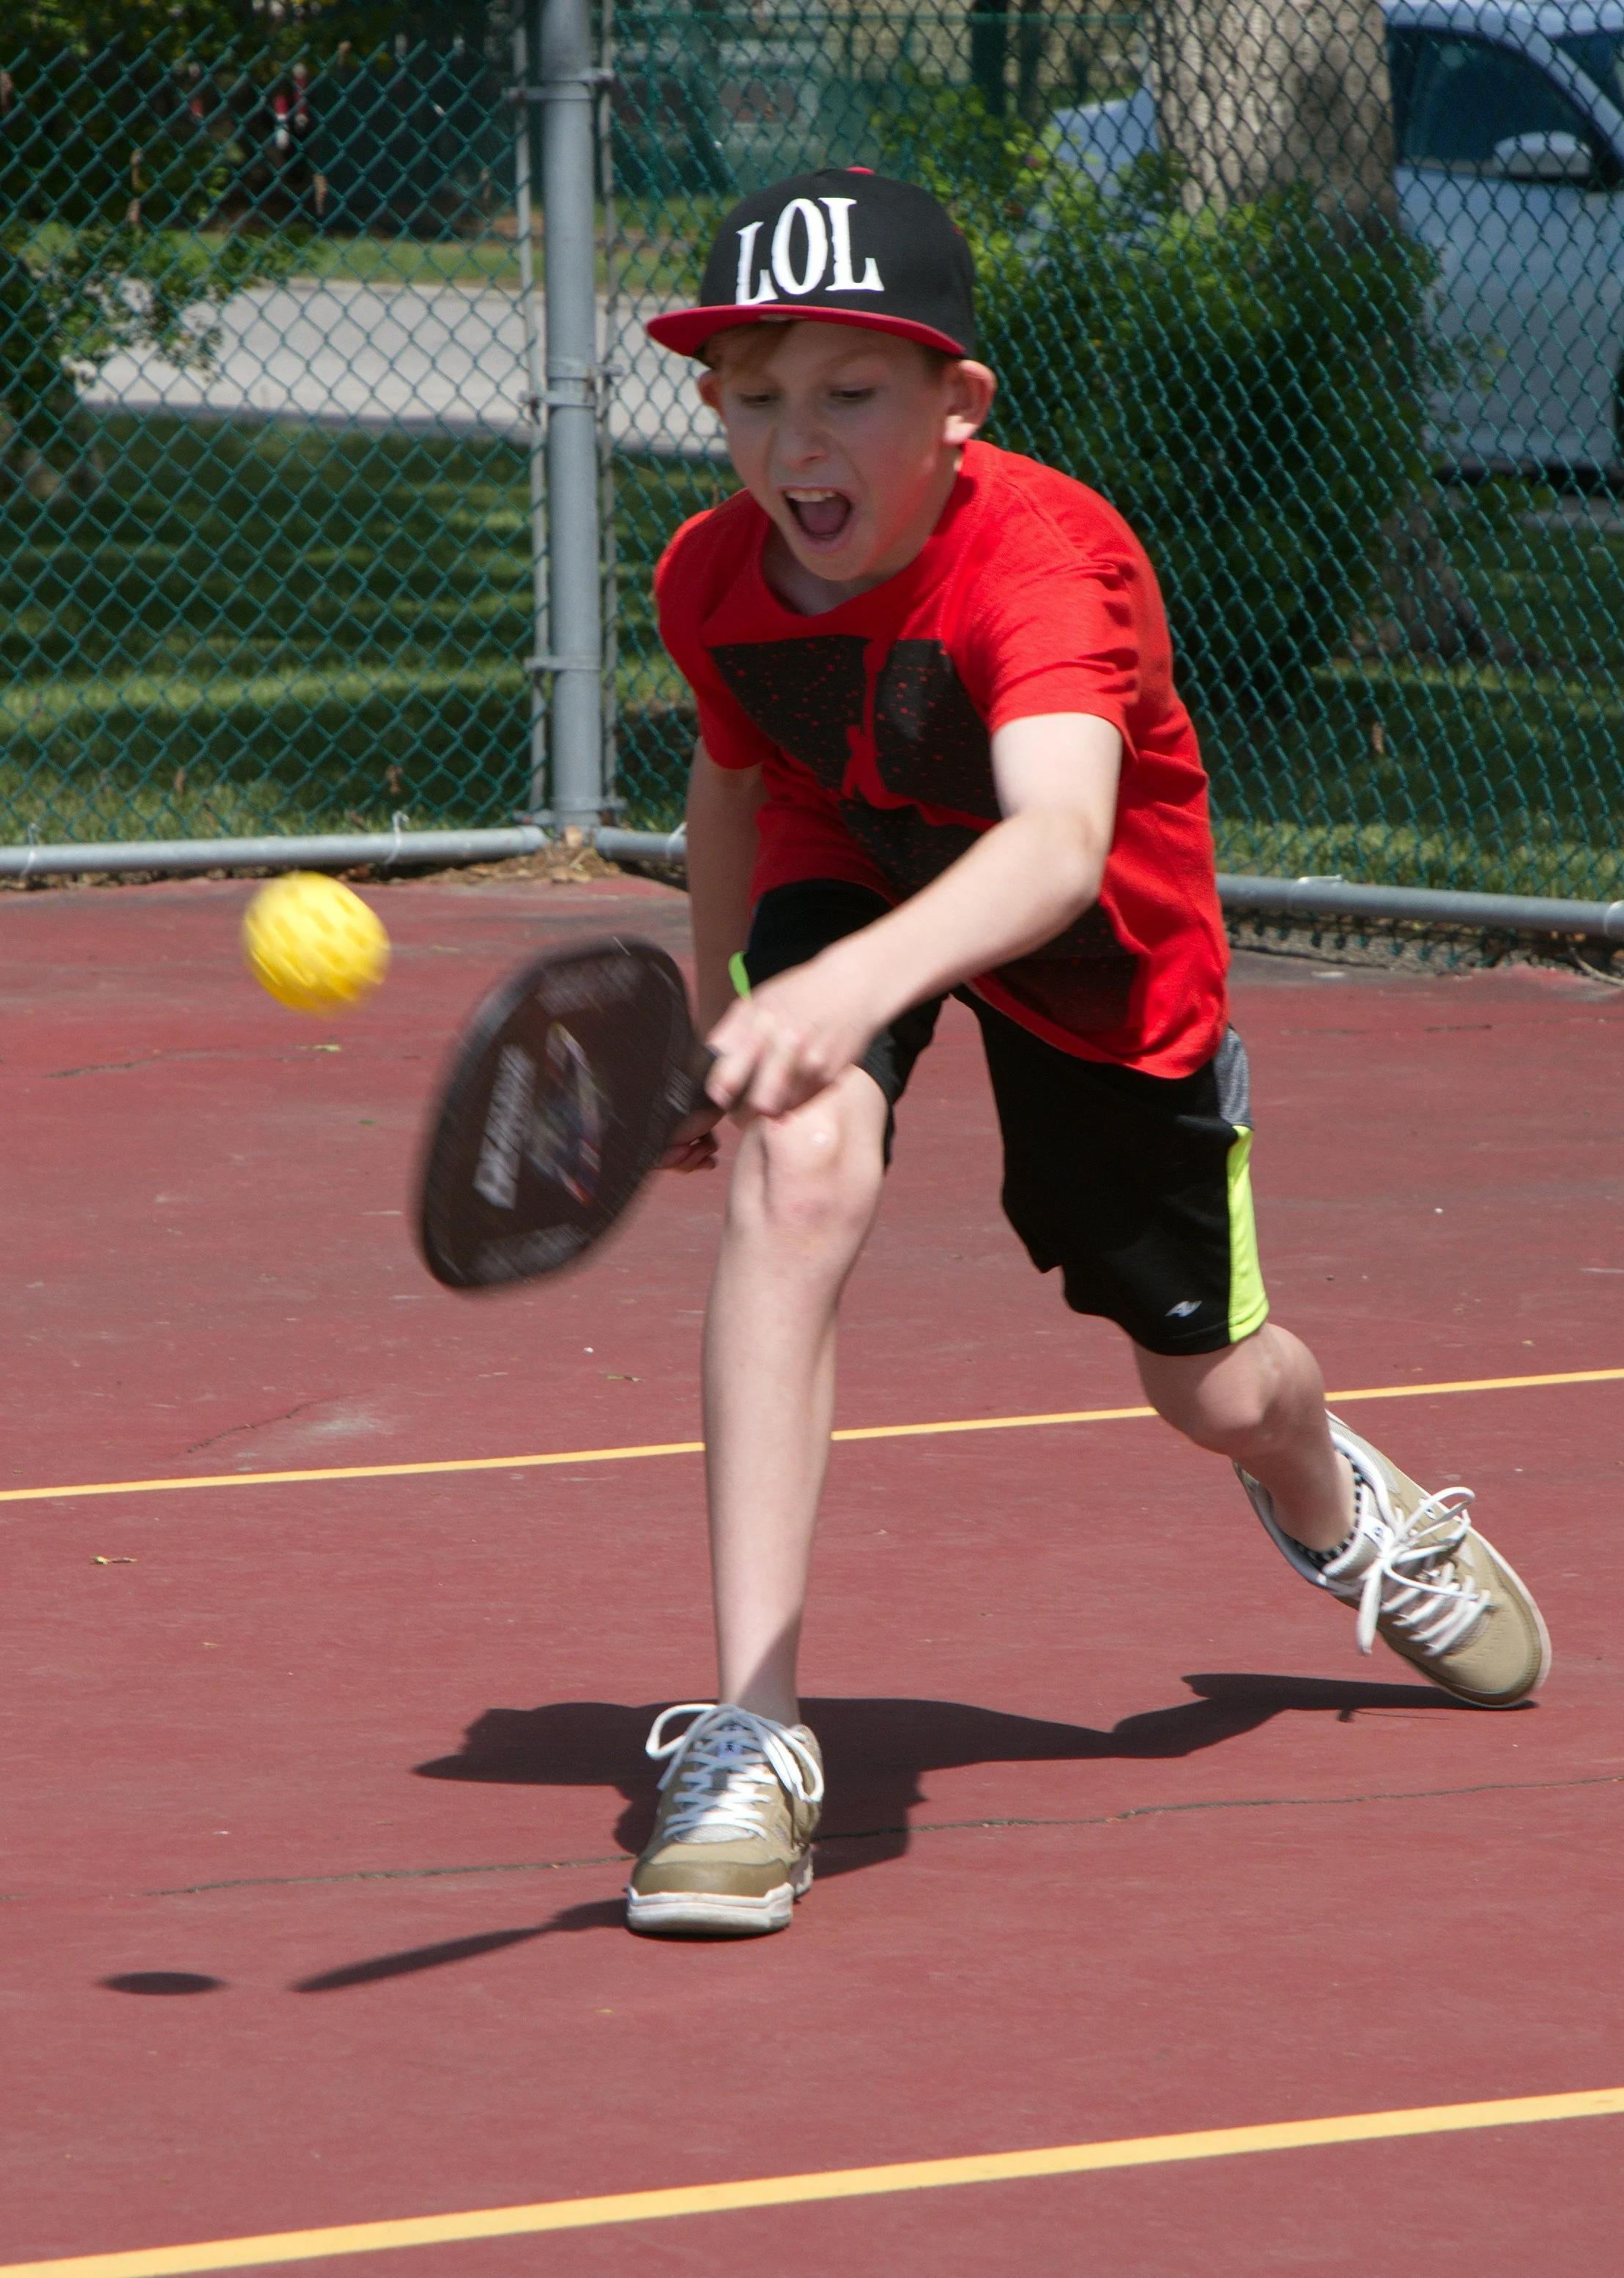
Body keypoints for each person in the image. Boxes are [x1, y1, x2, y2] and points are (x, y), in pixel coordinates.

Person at [625, 170, 1551, 1939]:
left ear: (957, 407)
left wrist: (838, 985)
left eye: (848, 391)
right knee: (799, 1158)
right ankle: (753, 1731)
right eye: (753, 395)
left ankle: (1326, 1480)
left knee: (1205, 1388)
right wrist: (727, 1007)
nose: (791, 440)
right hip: (855, 855)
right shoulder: (714, 577)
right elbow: (738, 774)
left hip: (1097, 954)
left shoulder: (1047, 563)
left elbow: (1052, 843)